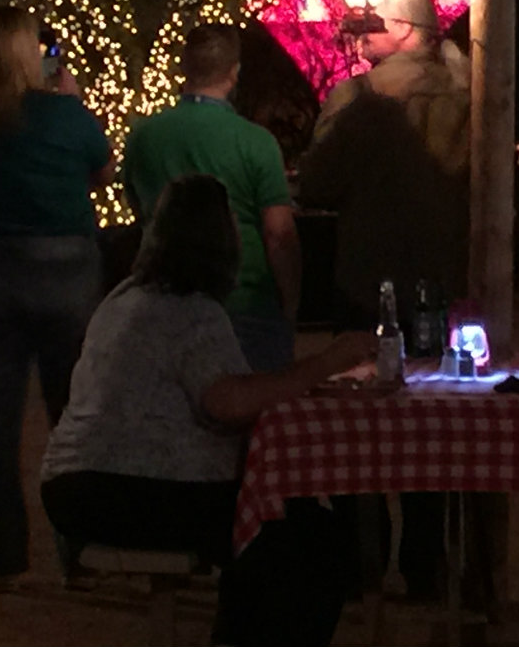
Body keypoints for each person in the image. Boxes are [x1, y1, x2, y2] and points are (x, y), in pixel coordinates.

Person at [41, 175, 375, 646]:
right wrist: (325, 363)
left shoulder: (126, 298)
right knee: (309, 538)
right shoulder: (191, 310)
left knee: (276, 528)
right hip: (132, 486)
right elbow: (228, 402)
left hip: (73, 485)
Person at [296, 0, 477, 600]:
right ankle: (425, 560)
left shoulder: (363, 99)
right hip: (446, 279)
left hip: (366, 277)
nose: (359, 34)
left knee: (358, 422)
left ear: (402, 30)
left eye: (370, 24)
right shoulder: (472, 91)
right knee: (432, 420)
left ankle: (359, 560)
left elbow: (316, 181)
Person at [0, 4, 111, 590]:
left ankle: (5, 559)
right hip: (63, 267)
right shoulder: (63, 114)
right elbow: (101, 167)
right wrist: (71, 99)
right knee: (70, 415)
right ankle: (80, 550)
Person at [123, 24, 299, 371]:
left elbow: (138, 208)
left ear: (184, 68)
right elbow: (279, 233)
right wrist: (289, 304)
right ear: (234, 73)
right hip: (244, 299)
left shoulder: (143, 136)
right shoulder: (255, 142)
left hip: (164, 299)